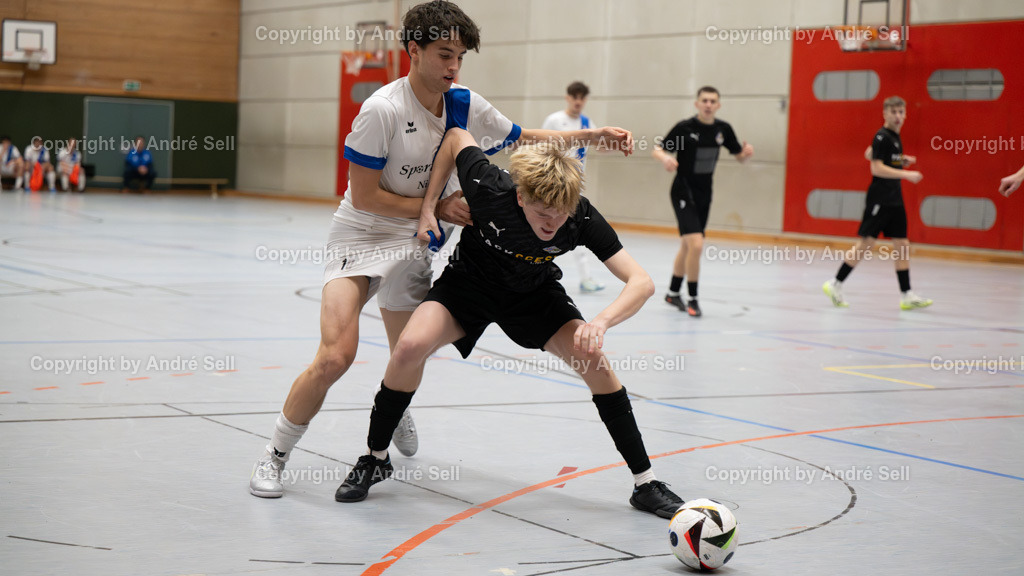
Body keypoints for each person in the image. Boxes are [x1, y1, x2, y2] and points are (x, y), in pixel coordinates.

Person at [248, 0, 633, 499]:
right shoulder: (382, 110)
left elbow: (525, 136)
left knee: (407, 352)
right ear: (414, 50)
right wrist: (440, 208)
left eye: (460, 57)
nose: (453, 67)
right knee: (335, 357)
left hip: (413, 243)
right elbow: (364, 195)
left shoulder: (464, 102)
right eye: (444, 54)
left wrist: (593, 135)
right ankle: (274, 455)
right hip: (362, 234)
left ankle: (396, 409)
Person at [333, 127, 685, 519]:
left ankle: (646, 483)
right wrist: (430, 205)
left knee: (596, 364)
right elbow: (454, 137)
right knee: (409, 347)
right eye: (541, 214)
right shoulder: (489, 187)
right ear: (521, 197)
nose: (552, 223)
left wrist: (600, 322)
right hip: (470, 285)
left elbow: (642, 282)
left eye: (560, 214)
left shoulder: (580, 215)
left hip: (533, 295)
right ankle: (375, 457)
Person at [651, 86, 753, 317]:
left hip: (705, 194)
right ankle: (693, 298)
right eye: (704, 100)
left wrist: (745, 155)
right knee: (696, 244)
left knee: (688, 245)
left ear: (718, 105)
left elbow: (739, 156)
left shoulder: (722, 130)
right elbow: (657, 149)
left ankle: (673, 293)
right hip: (682, 191)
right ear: (697, 104)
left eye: (713, 101)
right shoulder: (685, 128)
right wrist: (666, 158)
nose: (708, 104)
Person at [823, 96, 932, 310]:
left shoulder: (894, 137)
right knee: (867, 244)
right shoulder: (882, 136)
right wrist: (906, 174)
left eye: (901, 112)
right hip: (880, 199)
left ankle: (906, 294)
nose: (898, 116)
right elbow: (876, 168)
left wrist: (902, 160)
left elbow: (875, 155)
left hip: (895, 199)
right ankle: (835, 283)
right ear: (885, 114)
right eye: (894, 112)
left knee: (902, 244)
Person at [542, 81, 604, 293]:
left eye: (582, 98)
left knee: (575, 226)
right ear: (568, 97)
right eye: (574, 97)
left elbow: (599, 145)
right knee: (549, 226)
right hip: (554, 183)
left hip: (575, 185)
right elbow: (541, 146)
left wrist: (618, 145)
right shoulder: (555, 120)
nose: (578, 101)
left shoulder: (587, 123)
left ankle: (585, 277)